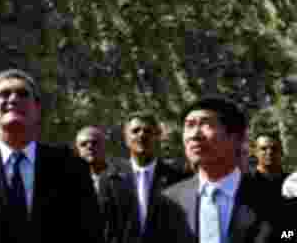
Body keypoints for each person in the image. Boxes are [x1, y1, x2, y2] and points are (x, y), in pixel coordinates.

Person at [0, 68, 103, 242]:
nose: (13, 99)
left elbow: (90, 235)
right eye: (4, 94)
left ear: (37, 108)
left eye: (22, 94)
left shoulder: (72, 168)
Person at [147, 96, 279, 242]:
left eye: (206, 124)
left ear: (236, 138)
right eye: (189, 125)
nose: (194, 135)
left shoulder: (274, 198)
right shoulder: (169, 202)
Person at [104, 111, 190, 243]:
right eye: (135, 131)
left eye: (148, 131)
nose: (142, 135)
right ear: (126, 138)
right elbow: (107, 227)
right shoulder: (110, 179)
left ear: (157, 137)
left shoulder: (177, 176)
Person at [76, 125, 119, 242]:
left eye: (95, 143)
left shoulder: (120, 180)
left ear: (104, 146)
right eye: (83, 144)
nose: (89, 146)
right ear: (77, 150)